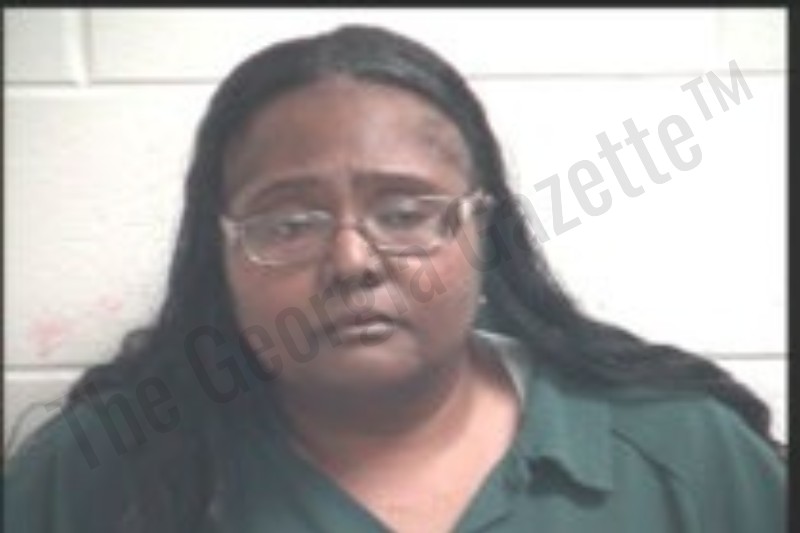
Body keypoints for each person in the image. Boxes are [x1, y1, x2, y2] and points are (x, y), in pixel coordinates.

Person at [4, 24, 785, 533]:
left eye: (407, 213)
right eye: (290, 223)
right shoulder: (99, 473)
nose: (352, 262)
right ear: (223, 253)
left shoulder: (686, 453)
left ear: (482, 231)